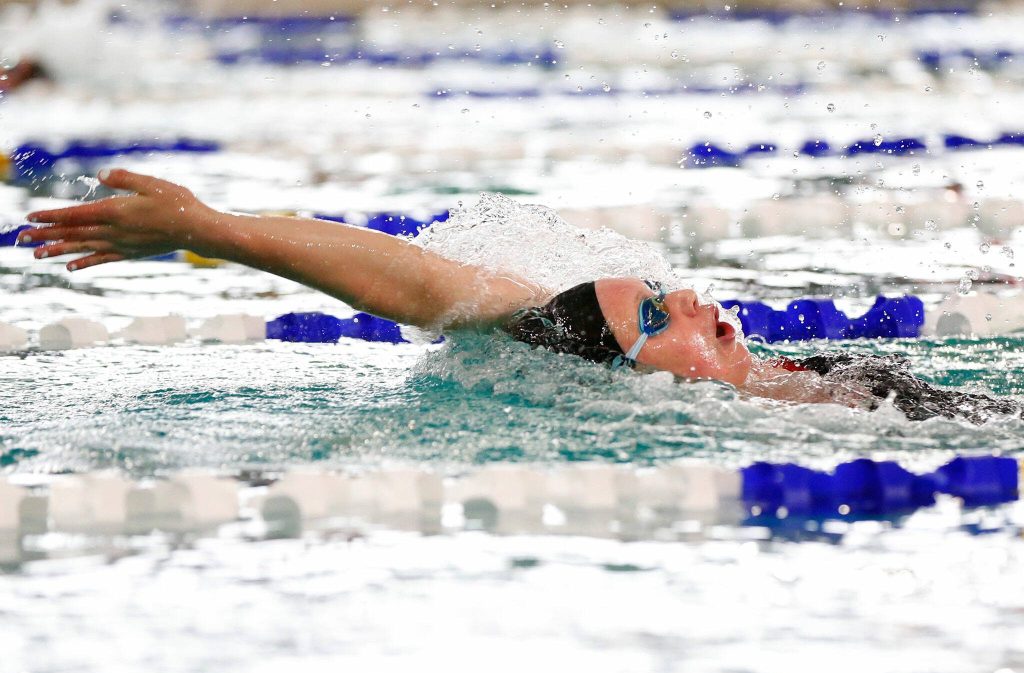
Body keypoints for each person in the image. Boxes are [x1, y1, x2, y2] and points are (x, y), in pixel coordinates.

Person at [19, 169, 1022, 423]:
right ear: (605, 372)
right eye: (652, 318)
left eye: (666, 294)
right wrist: (213, 230)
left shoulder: (845, 389)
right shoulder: (775, 427)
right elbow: (426, 284)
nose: (702, 304)